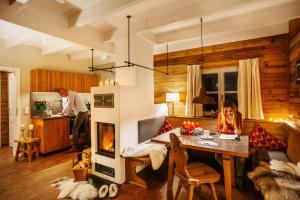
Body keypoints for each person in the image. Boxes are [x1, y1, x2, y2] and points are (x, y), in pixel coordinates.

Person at [216, 101, 246, 191]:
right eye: (226, 111)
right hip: (224, 140)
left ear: (234, 110)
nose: (228, 113)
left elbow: (240, 131)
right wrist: (223, 130)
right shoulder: (220, 115)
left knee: (241, 156)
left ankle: (238, 177)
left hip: (236, 140)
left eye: (230, 111)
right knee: (217, 155)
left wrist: (230, 130)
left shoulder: (238, 115)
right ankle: (230, 171)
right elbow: (218, 129)